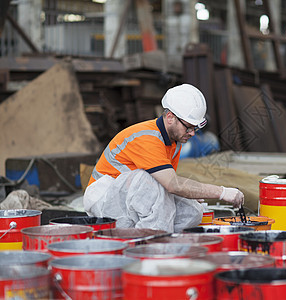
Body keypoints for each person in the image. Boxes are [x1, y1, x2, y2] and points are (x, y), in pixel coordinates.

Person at [83, 83, 244, 232]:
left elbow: (169, 185)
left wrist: (192, 193)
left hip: (128, 196)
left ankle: (150, 235)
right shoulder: (147, 137)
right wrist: (221, 192)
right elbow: (172, 184)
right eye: (188, 127)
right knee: (149, 180)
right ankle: (153, 244)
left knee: (193, 211)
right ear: (170, 118)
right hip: (103, 200)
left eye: (195, 127)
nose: (192, 133)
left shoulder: (174, 142)